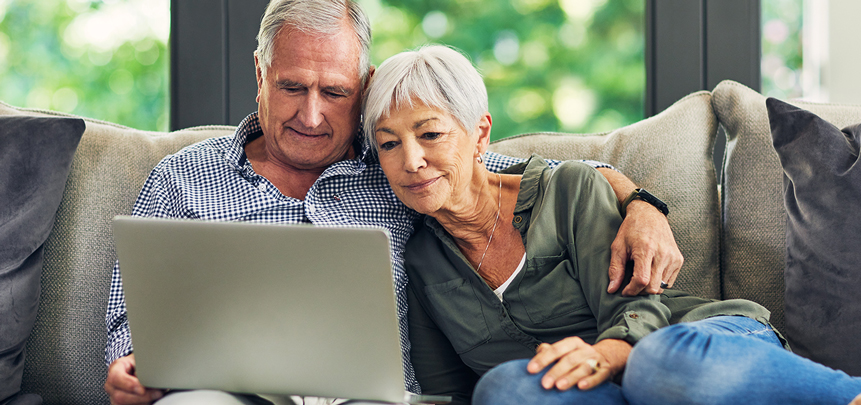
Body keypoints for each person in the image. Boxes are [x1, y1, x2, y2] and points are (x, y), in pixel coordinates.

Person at [102, 1, 683, 404]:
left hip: (373, 394)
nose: (311, 115)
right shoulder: (184, 177)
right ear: (260, 72)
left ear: (365, 85)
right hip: (224, 391)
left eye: (334, 92)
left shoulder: (399, 166)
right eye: (291, 87)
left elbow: (524, 177)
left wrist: (641, 203)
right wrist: (132, 369)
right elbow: (135, 310)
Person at [362, 44, 861, 405]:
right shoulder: (419, 259)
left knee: (661, 364)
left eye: (431, 134)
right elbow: (451, 393)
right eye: (389, 145)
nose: (410, 161)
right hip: (591, 394)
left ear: (480, 133)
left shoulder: (567, 189)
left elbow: (641, 308)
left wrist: (612, 354)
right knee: (506, 392)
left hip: (690, 345)